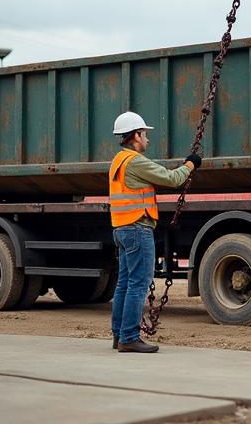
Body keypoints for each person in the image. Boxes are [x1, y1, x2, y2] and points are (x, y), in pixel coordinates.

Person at [108, 111, 201, 353]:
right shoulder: (135, 161)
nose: (147, 139)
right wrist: (191, 164)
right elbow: (172, 179)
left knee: (124, 284)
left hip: (121, 228)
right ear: (135, 136)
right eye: (145, 135)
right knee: (139, 284)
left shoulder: (117, 160)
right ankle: (129, 337)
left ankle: (119, 336)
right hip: (138, 228)